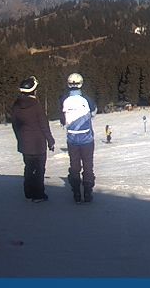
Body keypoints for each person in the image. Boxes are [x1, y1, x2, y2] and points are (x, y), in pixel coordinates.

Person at [10, 76, 55, 202]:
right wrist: (50, 141)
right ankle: (38, 194)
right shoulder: (36, 105)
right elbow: (44, 125)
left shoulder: (16, 105)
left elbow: (15, 125)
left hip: (25, 143)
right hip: (38, 143)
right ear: (33, 90)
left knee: (29, 168)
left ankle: (28, 192)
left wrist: (20, 139)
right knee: (39, 169)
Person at [60, 72, 97, 203]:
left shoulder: (64, 99)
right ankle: (87, 193)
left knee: (74, 166)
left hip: (72, 140)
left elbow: (62, 119)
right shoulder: (86, 99)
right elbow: (93, 112)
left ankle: (76, 192)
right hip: (87, 139)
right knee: (88, 166)